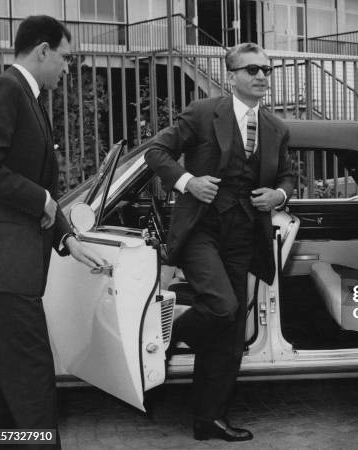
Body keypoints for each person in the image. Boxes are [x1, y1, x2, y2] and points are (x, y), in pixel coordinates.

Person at [145, 42, 294, 442]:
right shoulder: (201, 113)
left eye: (266, 69)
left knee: (229, 335)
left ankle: (209, 419)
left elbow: (287, 178)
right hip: (201, 230)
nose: (261, 76)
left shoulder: (277, 129)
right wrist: (188, 181)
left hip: (245, 233)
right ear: (231, 76)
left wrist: (277, 196)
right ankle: (171, 330)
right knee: (224, 307)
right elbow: (156, 152)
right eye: (251, 70)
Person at [0, 15, 104, 449]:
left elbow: (43, 191)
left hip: (7, 272)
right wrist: (42, 201)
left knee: (3, 389)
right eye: (66, 58)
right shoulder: (6, 90)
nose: (68, 68)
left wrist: (67, 236)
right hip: (4, 270)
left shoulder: (28, 99)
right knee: (32, 385)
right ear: (43, 50)